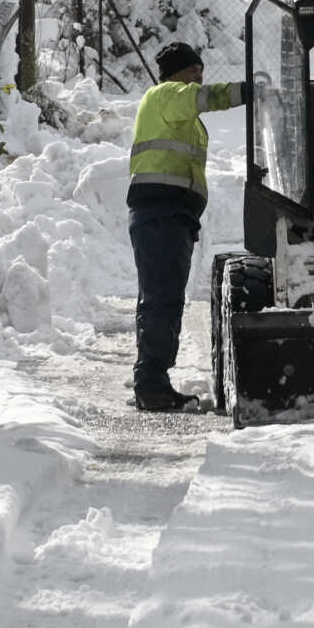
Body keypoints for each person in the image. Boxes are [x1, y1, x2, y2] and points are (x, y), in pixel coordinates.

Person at [126, 40, 248, 411]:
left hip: (171, 215)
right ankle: (151, 384)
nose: (199, 76)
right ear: (176, 73)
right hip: (161, 213)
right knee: (162, 298)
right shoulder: (167, 95)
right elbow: (204, 98)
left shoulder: (179, 114)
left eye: (201, 71)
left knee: (161, 297)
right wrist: (249, 91)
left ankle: (151, 379)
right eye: (193, 70)